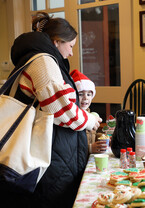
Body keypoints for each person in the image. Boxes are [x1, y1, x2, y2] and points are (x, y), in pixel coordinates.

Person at [2, 12, 101, 208]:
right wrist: (89, 120)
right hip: (50, 158)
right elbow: (60, 110)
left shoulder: (33, 57)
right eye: (70, 46)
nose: (71, 53)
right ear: (56, 42)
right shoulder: (43, 61)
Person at [70, 69, 108, 154]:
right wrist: (89, 148)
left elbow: (92, 135)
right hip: (80, 162)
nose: (85, 98)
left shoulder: (90, 115)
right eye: (80, 94)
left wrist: (101, 138)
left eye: (89, 94)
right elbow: (71, 146)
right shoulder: (73, 118)